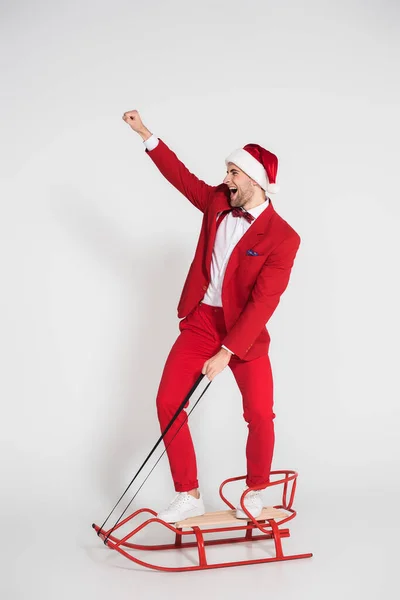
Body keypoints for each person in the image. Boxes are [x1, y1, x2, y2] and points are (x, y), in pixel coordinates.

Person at [122, 109, 301, 523]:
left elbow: (263, 303)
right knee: (168, 401)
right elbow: (181, 178)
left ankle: (256, 490)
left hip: (245, 334)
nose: (226, 179)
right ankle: (188, 494)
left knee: (259, 414)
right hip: (202, 320)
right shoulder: (218, 202)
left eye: (234, 172)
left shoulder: (284, 238)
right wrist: (146, 135)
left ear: (255, 180)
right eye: (226, 170)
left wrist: (227, 352)